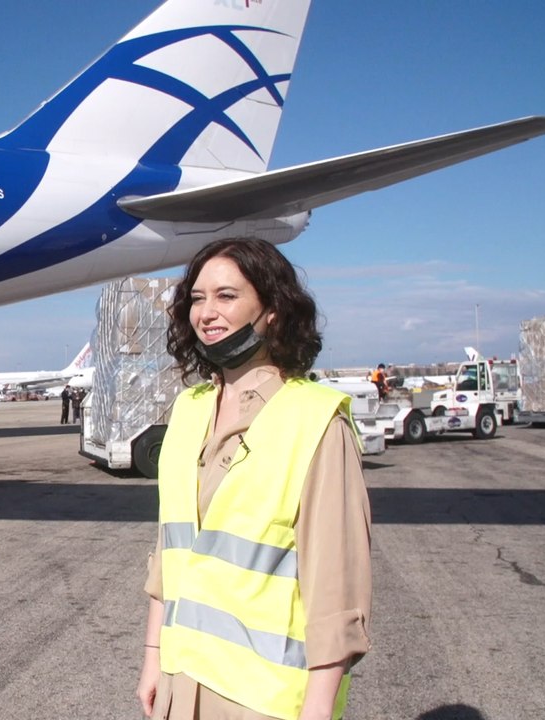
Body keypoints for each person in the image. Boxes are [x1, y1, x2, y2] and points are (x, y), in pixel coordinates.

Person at [135, 239, 371, 720]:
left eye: (227, 296)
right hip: (183, 683)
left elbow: (336, 585)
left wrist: (319, 708)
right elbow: (170, 553)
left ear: (273, 312)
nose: (206, 312)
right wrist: (153, 659)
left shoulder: (315, 419)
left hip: (262, 698)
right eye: (197, 298)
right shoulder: (189, 409)